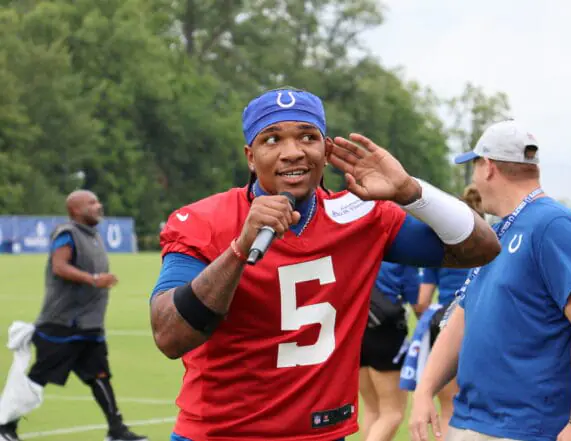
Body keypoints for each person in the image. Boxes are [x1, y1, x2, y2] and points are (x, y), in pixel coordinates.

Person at [148, 87, 501, 441]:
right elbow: (169, 336)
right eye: (272, 139)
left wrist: (411, 192)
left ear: (326, 149)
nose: (293, 152)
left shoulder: (361, 215)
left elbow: (483, 247)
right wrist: (238, 250)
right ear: (250, 157)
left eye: (307, 137)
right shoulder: (203, 219)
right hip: (221, 435)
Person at [409, 119, 571, 441]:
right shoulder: (498, 230)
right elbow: (462, 316)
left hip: (526, 427)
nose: (474, 178)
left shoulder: (553, 224)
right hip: (471, 418)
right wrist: (425, 390)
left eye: (475, 166)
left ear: (488, 167)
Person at [0, 190, 147, 441]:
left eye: (98, 201)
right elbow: (59, 266)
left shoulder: (94, 236)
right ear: (75, 211)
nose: (98, 205)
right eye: (91, 203)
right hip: (62, 325)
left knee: (100, 376)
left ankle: (117, 430)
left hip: (89, 325)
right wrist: (94, 279)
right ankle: (6, 426)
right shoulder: (66, 234)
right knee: (38, 378)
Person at [400, 184, 485, 432]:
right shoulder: (491, 240)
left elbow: (423, 300)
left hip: (444, 320)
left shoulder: (442, 244)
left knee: (447, 407)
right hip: (477, 319)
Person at [359, 262, 420, 441]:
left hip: (357, 331)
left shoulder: (359, 246)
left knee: (372, 409)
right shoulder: (401, 252)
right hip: (387, 333)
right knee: (392, 414)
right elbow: (417, 300)